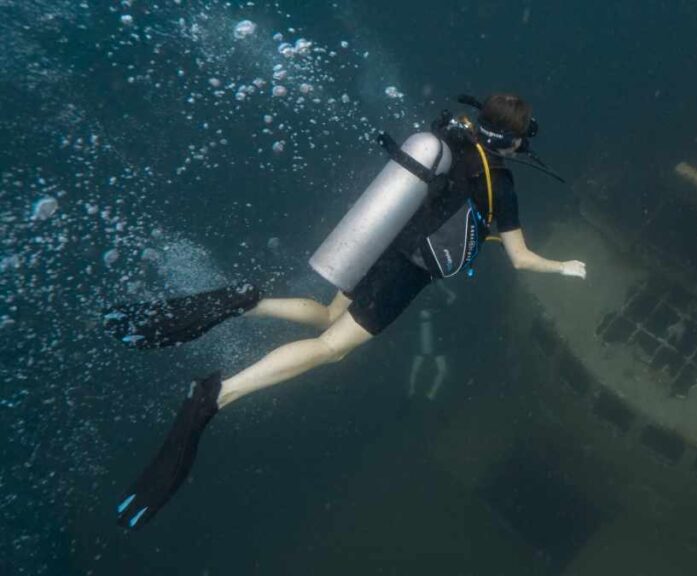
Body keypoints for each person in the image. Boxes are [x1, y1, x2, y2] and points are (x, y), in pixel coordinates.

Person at [104, 93, 587, 529]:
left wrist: (487, 230)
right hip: (405, 276)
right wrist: (563, 266)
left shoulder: (448, 142)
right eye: (524, 137)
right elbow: (523, 259)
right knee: (332, 349)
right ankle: (217, 395)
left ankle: (245, 302)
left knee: (325, 315)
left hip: (380, 247)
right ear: (509, 139)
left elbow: (450, 209)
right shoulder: (499, 184)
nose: (526, 145)